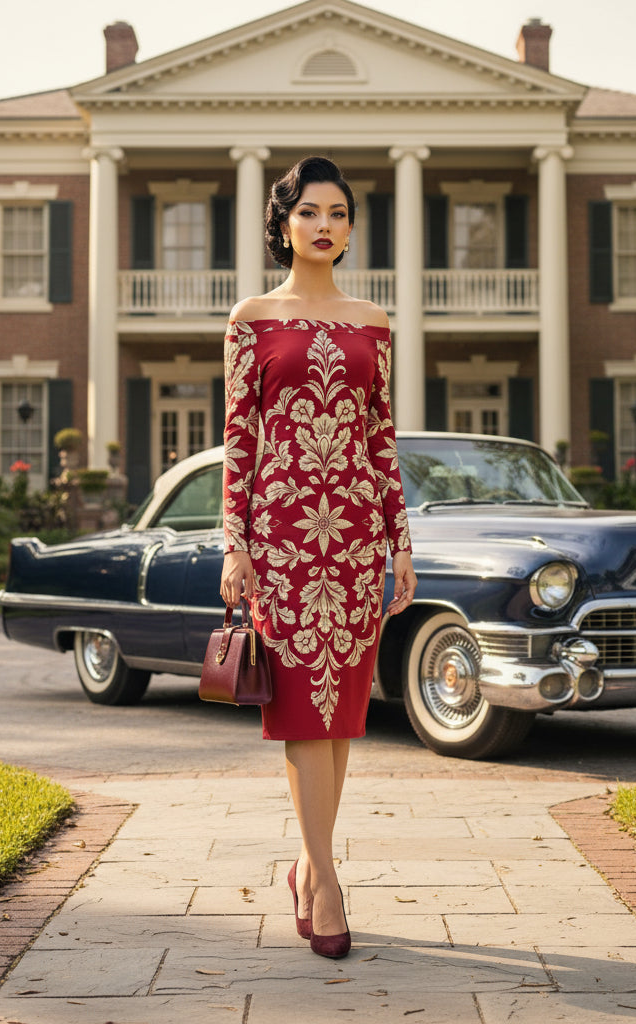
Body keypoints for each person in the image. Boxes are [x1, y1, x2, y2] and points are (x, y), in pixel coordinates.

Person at [219, 155, 417, 959]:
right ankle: (329, 880)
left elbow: (381, 438)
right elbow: (240, 438)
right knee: (303, 705)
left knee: (342, 714)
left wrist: (400, 542)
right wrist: (235, 544)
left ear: (349, 228)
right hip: (284, 540)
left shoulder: (375, 322)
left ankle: (306, 867)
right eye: (309, 212)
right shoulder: (251, 317)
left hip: (358, 535)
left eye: (337, 212)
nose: (324, 225)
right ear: (284, 224)